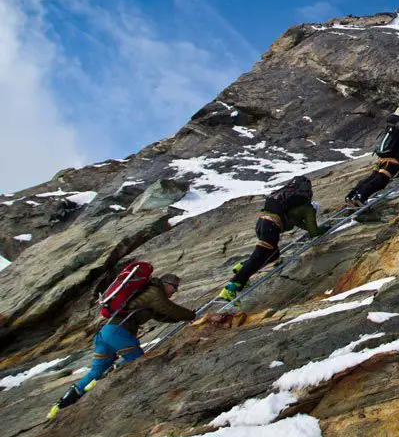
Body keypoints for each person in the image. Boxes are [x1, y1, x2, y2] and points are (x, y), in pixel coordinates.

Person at [48, 273, 195, 419]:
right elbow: (169, 308)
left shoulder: (147, 294)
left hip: (105, 333)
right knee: (137, 360)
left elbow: (163, 315)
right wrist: (191, 315)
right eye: (174, 288)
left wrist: (183, 319)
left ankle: (60, 406)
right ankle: (107, 376)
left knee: (96, 370)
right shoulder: (155, 292)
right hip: (119, 332)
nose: (175, 291)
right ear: (166, 283)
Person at [218, 176, 323, 302]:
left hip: (262, 223)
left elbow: (300, 224)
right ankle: (230, 289)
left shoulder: (291, 206)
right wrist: (323, 230)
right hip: (271, 226)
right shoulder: (308, 209)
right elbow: (313, 231)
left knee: (273, 254)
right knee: (259, 258)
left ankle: (243, 266)